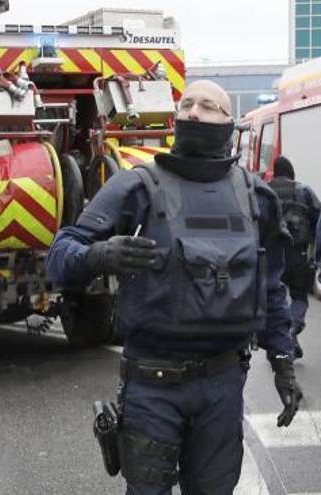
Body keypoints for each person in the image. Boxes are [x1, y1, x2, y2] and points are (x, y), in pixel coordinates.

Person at [47, 81, 302, 494]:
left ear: (229, 122)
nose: (194, 112)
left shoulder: (257, 197)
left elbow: (271, 286)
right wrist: (100, 255)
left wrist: (282, 361)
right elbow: (61, 255)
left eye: (209, 106)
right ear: (176, 118)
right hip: (152, 387)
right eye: (187, 104)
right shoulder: (138, 186)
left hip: (222, 385)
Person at [269, 156, 321, 359]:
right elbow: (318, 223)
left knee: (276, 299)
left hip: (272, 255)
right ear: (292, 172)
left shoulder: (263, 190)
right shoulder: (304, 191)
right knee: (299, 297)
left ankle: (284, 339)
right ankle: (291, 333)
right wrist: (316, 256)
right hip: (298, 254)